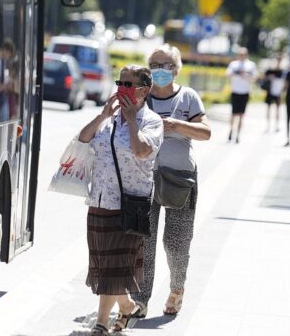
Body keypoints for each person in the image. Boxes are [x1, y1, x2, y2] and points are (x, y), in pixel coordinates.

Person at [78, 65, 164, 335]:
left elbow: (141, 152)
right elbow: (83, 140)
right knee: (104, 264)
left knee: (114, 266)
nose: (122, 89)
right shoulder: (110, 118)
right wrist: (103, 115)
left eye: (128, 84)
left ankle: (102, 324)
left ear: (144, 90)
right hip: (99, 200)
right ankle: (127, 307)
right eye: (120, 83)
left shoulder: (152, 122)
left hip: (128, 204)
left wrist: (132, 121)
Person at [132, 45, 211, 318]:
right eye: (155, 64)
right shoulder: (141, 97)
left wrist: (176, 125)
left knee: (176, 242)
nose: (160, 70)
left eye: (166, 65)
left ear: (176, 70)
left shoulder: (188, 97)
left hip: (179, 179)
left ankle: (177, 288)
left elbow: (206, 132)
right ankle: (139, 300)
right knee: (144, 240)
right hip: (143, 179)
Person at [225, 47, 257, 143]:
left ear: (246, 55)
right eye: (240, 54)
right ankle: (231, 130)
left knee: (241, 115)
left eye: (243, 54)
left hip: (245, 92)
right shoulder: (233, 64)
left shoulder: (251, 65)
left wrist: (247, 75)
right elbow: (227, 74)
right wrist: (236, 73)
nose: (241, 56)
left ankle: (238, 134)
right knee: (233, 114)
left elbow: (254, 78)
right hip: (235, 91)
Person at [264, 56, 285, 132]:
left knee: (278, 109)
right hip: (270, 91)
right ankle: (268, 125)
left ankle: (277, 125)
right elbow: (264, 77)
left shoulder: (283, 71)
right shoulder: (270, 70)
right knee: (269, 109)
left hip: (278, 92)